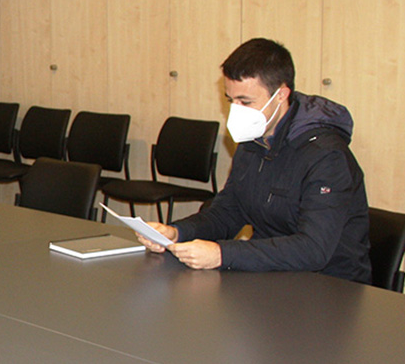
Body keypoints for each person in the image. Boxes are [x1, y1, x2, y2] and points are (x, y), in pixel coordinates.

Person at [137, 37, 371, 283]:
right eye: (231, 101)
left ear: (280, 95)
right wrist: (178, 232)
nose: (236, 111)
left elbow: (313, 249)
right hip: (271, 276)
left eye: (245, 102)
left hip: (330, 286)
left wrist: (222, 254)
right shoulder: (253, 139)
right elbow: (229, 211)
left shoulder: (327, 156)